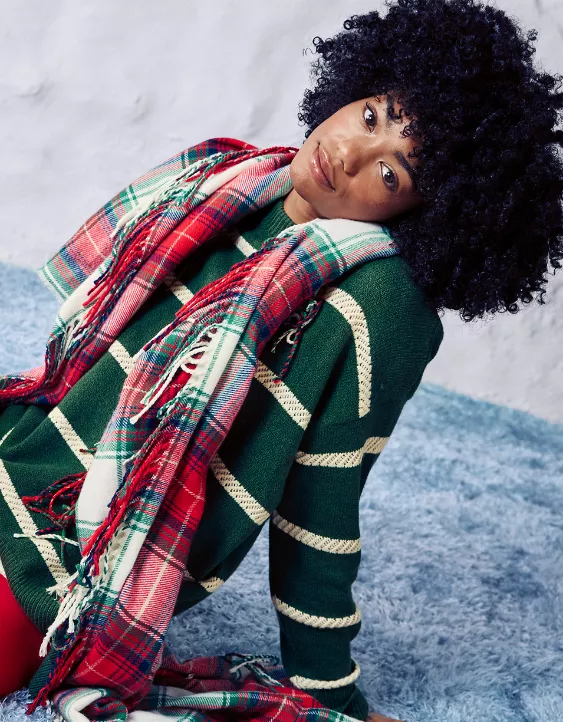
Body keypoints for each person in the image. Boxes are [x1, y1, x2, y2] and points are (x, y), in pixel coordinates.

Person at [0, 0, 561, 721]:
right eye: (372, 116)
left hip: (57, 560)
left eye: (391, 175)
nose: (349, 155)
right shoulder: (229, 183)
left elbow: (319, 513)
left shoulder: (378, 307)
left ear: (427, 215)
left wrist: (331, 692)